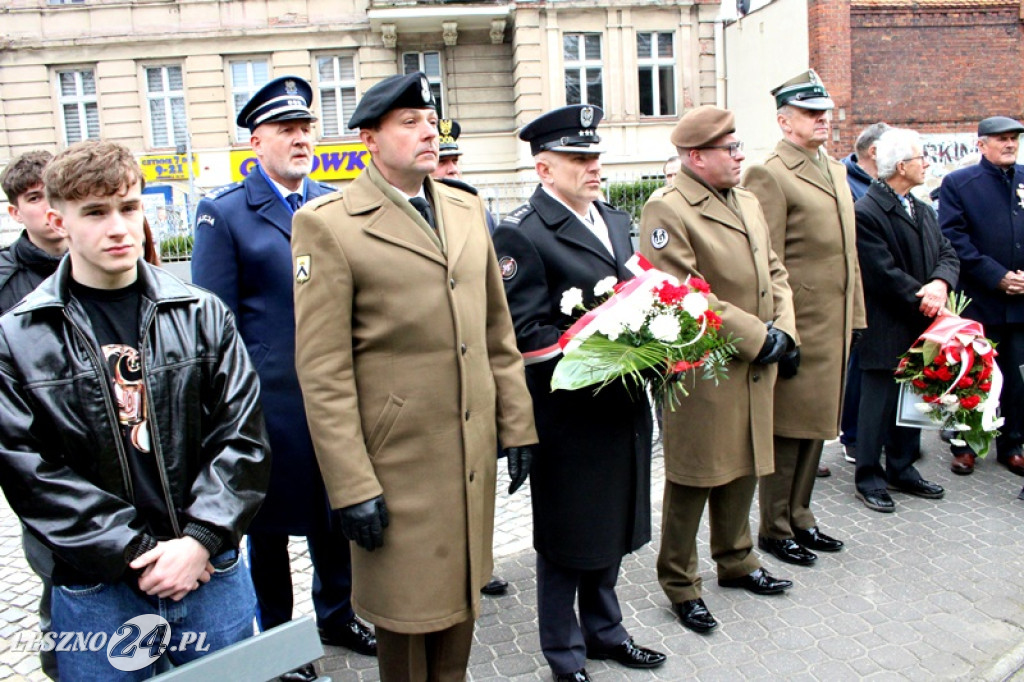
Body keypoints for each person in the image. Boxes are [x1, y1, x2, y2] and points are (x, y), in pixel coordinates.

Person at [290, 71, 538, 682]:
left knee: (462, 604)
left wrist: (517, 425)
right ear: (369, 139)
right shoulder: (330, 223)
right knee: (405, 623)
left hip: (467, 453)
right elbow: (322, 370)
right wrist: (350, 486)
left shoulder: (464, 205)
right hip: (396, 466)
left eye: (430, 120)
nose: (429, 131)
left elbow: (494, 332)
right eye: (410, 122)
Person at [0, 140, 270, 680]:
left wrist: (199, 541)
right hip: (97, 584)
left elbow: (243, 436)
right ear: (58, 220)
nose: (119, 227)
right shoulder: (19, 335)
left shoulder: (202, 313)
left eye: (129, 206)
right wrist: (134, 551)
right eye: (95, 213)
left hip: (209, 572)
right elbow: (29, 472)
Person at [191, 76, 376, 681]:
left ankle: (338, 613)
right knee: (266, 530)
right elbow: (213, 322)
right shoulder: (225, 214)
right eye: (285, 131)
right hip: (266, 405)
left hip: (333, 395)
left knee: (333, 509)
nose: (300, 140)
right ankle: (276, 640)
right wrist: (233, 409)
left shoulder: (332, 201)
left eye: (305, 129)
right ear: (256, 142)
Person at [493, 104, 667, 682]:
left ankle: (606, 632)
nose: (593, 167)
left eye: (595, 156)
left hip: (621, 406)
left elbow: (634, 290)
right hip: (569, 413)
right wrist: (603, 346)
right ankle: (563, 656)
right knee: (568, 541)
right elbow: (526, 335)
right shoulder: (524, 231)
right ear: (545, 169)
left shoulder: (613, 220)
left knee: (610, 530)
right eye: (578, 158)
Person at [640, 105, 797, 635]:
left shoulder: (747, 200)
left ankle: (737, 559)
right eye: (728, 149)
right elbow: (684, 293)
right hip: (703, 365)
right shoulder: (668, 209)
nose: (739, 155)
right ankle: (681, 583)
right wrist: (760, 336)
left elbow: (775, 270)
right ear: (695, 157)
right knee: (695, 474)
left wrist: (786, 331)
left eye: (737, 145)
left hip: (754, 360)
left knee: (747, 461)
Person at [744, 69, 864, 566]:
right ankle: (775, 526)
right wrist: (778, 330)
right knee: (788, 427)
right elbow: (764, 261)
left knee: (817, 424)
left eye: (824, 114)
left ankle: (802, 514)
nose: (822, 122)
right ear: (784, 120)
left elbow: (848, 252)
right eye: (811, 114)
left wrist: (854, 314)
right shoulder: (770, 172)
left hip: (833, 321)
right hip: (799, 322)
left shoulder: (833, 168)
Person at [853, 128, 958, 512]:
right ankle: (869, 476)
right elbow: (882, 273)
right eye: (921, 157)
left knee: (912, 402)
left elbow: (948, 251)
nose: (927, 163)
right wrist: (927, 297)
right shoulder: (866, 211)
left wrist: (942, 284)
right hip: (886, 325)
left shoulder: (922, 207)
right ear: (901, 166)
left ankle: (902, 467)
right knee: (877, 405)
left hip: (920, 323)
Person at [431, 118, 507, 598]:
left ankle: (482, 561)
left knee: (479, 479)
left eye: (455, 159)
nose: (451, 167)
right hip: (428, 380)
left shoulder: (475, 209)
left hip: (475, 367)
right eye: (443, 160)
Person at [0, 149, 67, 680]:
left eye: (52, 193)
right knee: (57, 572)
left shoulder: (103, 262)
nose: (47, 208)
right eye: (33, 198)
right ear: (15, 212)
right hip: (42, 458)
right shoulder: (5, 282)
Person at [939, 115, 1024, 478]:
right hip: (980, 298)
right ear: (981, 145)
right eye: (1001, 139)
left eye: (1013, 139)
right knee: (971, 375)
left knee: (1017, 377)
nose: (1009, 145)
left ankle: (1012, 442)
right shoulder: (960, 183)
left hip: (1021, 301)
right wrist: (997, 276)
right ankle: (965, 444)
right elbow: (954, 239)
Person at [839, 122, 890, 468]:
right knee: (858, 366)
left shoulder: (880, 184)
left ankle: (875, 433)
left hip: (884, 294)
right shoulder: (846, 183)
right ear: (874, 151)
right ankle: (854, 435)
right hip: (861, 289)